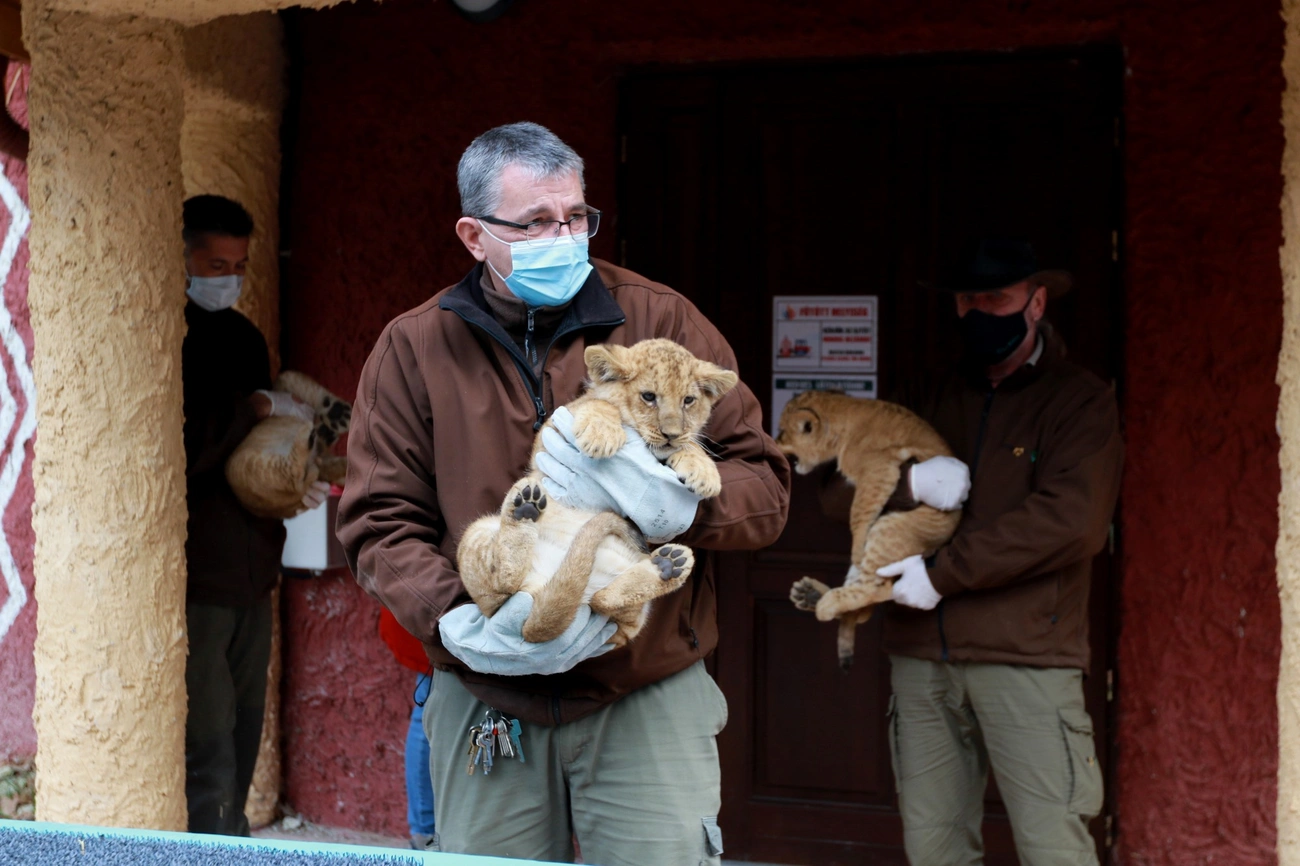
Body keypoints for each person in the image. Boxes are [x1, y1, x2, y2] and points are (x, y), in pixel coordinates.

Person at [337, 122, 791, 864]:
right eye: (537, 223)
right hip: (488, 694)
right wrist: (459, 623)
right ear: (474, 235)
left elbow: (765, 487)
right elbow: (378, 521)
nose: (565, 236)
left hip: (641, 682)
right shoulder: (415, 346)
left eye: (576, 216)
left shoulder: (659, 320)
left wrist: (689, 505)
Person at [874, 239, 1124, 865]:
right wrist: (909, 483)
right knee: (934, 849)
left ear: (1036, 303)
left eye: (998, 297)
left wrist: (941, 575)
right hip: (922, 656)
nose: (982, 310)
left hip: (1027, 658)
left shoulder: (1078, 399)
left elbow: (1071, 523)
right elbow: (837, 486)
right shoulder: (926, 393)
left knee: (1054, 849)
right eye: (969, 299)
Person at [181, 194, 328, 835]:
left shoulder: (241, 336)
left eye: (238, 265)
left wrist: (296, 478)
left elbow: (253, 461)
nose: (228, 280)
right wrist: (256, 410)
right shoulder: (168, 331)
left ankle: (231, 835)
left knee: (243, 723)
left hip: (253, 565)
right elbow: (184, 449)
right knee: (207, 730)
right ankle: (208, 841)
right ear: (180, 254)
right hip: (201, 576)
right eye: (215, 264)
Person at [377, 607, 437, 851]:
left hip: (431, 604)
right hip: (434, 606)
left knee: (428, 705)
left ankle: (426, 830)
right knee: (429, 702)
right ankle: (425, 831)